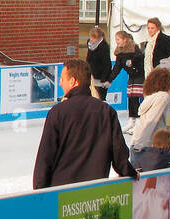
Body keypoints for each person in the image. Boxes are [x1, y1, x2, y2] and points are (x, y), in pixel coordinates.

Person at [33, 59, 138, 189]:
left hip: (62, 193)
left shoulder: (58, 112)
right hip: (93, 192)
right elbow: (119, 155)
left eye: (62, 79)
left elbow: (45, 157)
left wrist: (39, 191)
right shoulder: (106, 111)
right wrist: (130, 172)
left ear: (73, 81)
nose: (60, 83)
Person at [129, 67, 170, 150]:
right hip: (150, 144)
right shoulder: (163, 97)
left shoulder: (150, 97)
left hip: (138, 140)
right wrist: (140, 145)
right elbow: (152, 120)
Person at [108, 30, 143, 130]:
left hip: (139, 75)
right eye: (116, 39)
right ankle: (132, 120)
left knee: (136, 96)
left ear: (125, 40)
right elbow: (117, 68)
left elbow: (140, 58)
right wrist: (109, 79)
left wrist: (133, 62)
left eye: (118, 39)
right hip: (131, 76)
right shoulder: (119, 53)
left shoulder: (134, 48)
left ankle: (139, 121)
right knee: (131, 97)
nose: (117, 41)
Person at [85, 26, 110, 100]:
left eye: (94, 38)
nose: (92, 40)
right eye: (91, 37)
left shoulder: (104, 47)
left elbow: (107, 65)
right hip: (91, 77)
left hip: (101, 77)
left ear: (99, 38)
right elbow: (88, 59)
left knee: (100, 98)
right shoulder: (90, 45)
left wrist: (103, 79)